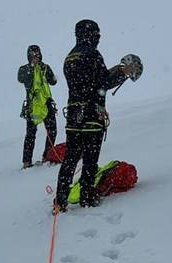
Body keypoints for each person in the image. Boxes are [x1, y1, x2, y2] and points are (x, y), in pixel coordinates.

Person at [53, 20, 138, 213]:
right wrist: (123, 72)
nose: (99, 37)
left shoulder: (69, 57)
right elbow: (102, 82)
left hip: (74, 115)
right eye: (97, 34)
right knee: (90, 158)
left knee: (70, 159)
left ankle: (60, 201)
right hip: (92, 114)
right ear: (91, 34)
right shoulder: (92, 54)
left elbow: (87, 83)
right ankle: (86, 197)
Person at [17, 45, 58, 169]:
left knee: (52, 130)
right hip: (32, 105)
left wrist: (47, 73)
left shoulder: (45, 68)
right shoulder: (24, 69)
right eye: (33, 55)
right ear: (29, 56)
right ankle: (26, 161)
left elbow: (53, 81)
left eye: (37, 54)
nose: (35, 57)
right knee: (30, 134)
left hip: (46, 103)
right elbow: (20, 78)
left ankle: (47, 156)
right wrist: (32, 68)